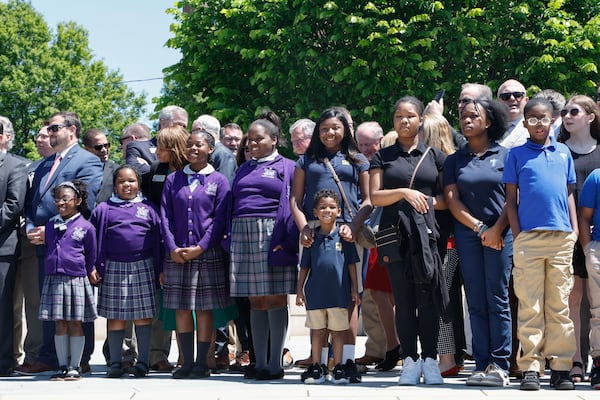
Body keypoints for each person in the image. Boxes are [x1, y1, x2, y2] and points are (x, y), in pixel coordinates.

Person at [369, 96, 448, 386]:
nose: (404, 121)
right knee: (402, 300)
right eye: (399, 116)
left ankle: (430, 359)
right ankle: (410, 361)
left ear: (420, 120)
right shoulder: (382, 156)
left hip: (427, 237)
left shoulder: (436, 156)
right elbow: (376, 196)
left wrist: (422, 199)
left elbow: (446, 200)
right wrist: (404, 192)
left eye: (410, 116)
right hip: (394, 235)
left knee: (427, 299)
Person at [290, 108, 371, 382]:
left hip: (347, 230)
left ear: (345, 130)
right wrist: (303, 228)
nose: (330, 133)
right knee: (318, 296)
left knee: (349, 297)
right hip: (313, 231)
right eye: (324, 128)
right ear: (318, 131)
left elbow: (369, 200)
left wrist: (355, 226)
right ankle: (319, 363)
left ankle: (346, 361)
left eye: (335, 128)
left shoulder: (358, 159)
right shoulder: (306, 160)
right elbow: (295, 200)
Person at [503, 97, 578, 391]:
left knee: (558, 305)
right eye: (531, 119)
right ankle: (531, 366)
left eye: (543, 118)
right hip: (529, 239)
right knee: (530, 305)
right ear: (524, 123)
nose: (537, 124)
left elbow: (569, 193)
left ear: (553, 120)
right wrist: (519, 235)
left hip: (561, 238)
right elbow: (511, 200)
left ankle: (560, 366)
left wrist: (572, 230)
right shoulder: (516, 155)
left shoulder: (563, 153)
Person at [21, 112, 102, 376]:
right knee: (52, 305)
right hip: (43, 246)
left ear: (72, 130)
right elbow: (33, 203)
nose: (50, 132)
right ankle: (50, 358)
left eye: (54, 128)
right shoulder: (44, 164)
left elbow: (86, 205)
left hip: (71, 249)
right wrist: (32, 227)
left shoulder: (87, 160)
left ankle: (80, 359)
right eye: (48, 128)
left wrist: (54, 232)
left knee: (75, 307)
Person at [443, 98, 513, 387]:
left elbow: (512, 199)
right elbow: (451, 200)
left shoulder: (507, 155)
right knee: (475, 299)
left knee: (497, 298)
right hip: (468, 235)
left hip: (501, 234)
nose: (466, 120)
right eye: (463, 116)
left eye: (474, 116)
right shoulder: (454, 160)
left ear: (489, 121)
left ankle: (500, 364)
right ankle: (481, 364)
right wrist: (479, 227)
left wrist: (496, 229)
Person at [229, 118, 298, 380]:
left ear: (274, 139)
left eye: (259, 139)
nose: (253, 143)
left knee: (276, 298)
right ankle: (258, 362)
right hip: (242, 234)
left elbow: (293, 203)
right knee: (255, 299)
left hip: (273, 233)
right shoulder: (243, 168)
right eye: (250, 139)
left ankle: (275, 362)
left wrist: (287, 238)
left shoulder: (288, 166)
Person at [160, 129, 232, 379]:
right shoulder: (173, 180)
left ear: (210, 149)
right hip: (177, 254)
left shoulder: (219, 181)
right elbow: (165, 217)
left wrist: (200, 247)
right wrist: (172, 248)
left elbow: (219, 219)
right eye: (189, 145)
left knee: (203, 309)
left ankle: (202, 362)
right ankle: (186, 363)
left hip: (206, 253)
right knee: (181, 309)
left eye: (198, 145)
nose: (193, 149)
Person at [90, 165, 162, 378]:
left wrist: (161, 268)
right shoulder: (104, 209)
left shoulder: (148, 208)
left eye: (131, 181)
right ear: (115, 185)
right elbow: (92, 241)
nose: (126, 185)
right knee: (115, 317)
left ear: (138, 183)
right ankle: (115, 362)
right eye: (122, 181)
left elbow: (159, 239)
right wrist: (92, 266)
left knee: (143, 316)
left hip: (143, 266)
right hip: (112, 267)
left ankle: (142, 362)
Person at [557, 95, 600, 382]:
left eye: (574, 111)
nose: (567, 116)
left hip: (593, 235)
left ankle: (595, 359)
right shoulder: (557, 151)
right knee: (572, 298)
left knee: (596, 303)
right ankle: (574, 361)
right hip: (566, 233)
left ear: (590, 117)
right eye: (564, 112)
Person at [296, 189, 360, 384]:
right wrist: (299, 290)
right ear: (315, 212)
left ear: (339, 211)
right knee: (318, 331)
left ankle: (339, 366)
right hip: (315, 295)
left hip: (339, 295)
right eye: (322, 207)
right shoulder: (311, 239)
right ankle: (317, 367)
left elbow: (351, 265)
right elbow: (304, 267)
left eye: (332, 207)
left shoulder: (345, 238)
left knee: (339, 331)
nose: (327, 211)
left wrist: (355, 289)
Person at [141, 125, 190, 373]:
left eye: (161, 146)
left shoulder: (194, 171)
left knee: (190, 302)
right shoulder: (153, 172)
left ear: (174, 147)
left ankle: (188, 355)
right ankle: (157, 355)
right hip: (160, 244)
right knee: (161, 300)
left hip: (190, 244)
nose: (156, 150)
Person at [39, 180, 98, 381]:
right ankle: (62, 365)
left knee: (75, 323)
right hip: (55, 279)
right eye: (57, 199)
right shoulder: (51, 224)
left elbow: (91, 253)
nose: (60, 203)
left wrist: (89, 269)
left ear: (78, 200)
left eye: (65, 199)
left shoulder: (86, 226)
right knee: (60, 324)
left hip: (76, 280)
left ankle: (76, 366)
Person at [353, 121, 399, 372]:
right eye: (360, 143)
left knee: (385, 292)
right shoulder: (360, 162)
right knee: (374, 293)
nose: (364, 148)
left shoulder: (388, 157)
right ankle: (378, 349)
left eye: (368, 144)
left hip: (388, 232)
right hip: (373, 234)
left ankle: (394, 347)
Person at [14, 125, 53, 371]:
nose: (38, 139)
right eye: (37, 135)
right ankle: (17, 353)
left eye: (44, 135)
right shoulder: (28, 167)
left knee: (37, 303)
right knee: (17, 304)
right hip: (22, 242)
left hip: (46, 244)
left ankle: (36, 354)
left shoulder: (66, 167)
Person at [0, 141, 27, 376]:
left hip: (3, 249)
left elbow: (13, 204)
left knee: (3, 307)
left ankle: (3, 361)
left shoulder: (14, 166)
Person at [191, 115, 237, 183]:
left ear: (201, 131)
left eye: (192, 132)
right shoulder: (213, 153)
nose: (191, 135)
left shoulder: (223, 154)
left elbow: (224, 186)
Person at [82, 128, 119, 205]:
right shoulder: (78, 170)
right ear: (86, 149)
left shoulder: (117, 170)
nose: (104, 150)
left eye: (106, 145)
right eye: (99, 147)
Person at [497, 79, 530, 149]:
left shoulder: (536, 126)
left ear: (526, 101)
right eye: (506, 96)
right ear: (498, 101)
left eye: (517, 95)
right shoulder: (488, 127)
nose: (512, 99)